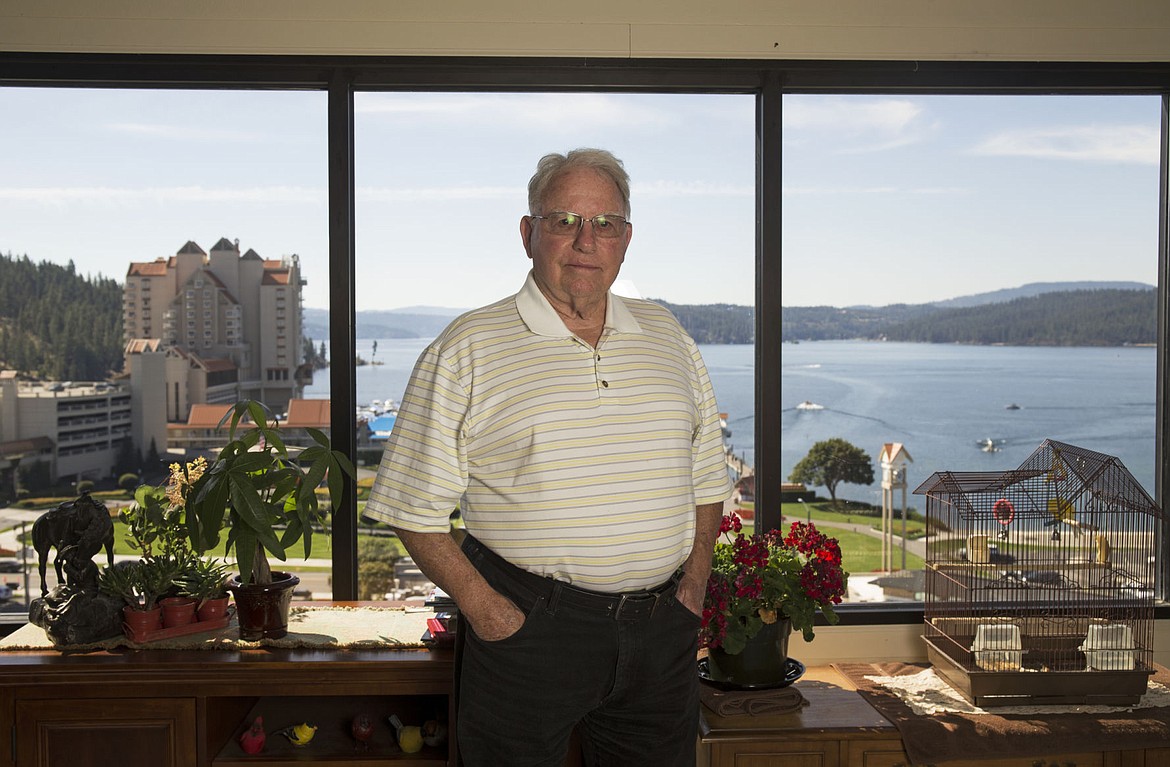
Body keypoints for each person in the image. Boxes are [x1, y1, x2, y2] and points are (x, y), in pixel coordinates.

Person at [365, 147, 732, 766]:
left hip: (661, 631)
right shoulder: (470, 345)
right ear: (528, 233)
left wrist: (693, 585)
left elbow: (704, 473)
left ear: (626, 239)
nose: (585, 240)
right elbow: (412, 506)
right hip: (529, 633)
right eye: (564, 220)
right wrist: (492, 615)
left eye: (605, 223)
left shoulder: (667, 334)